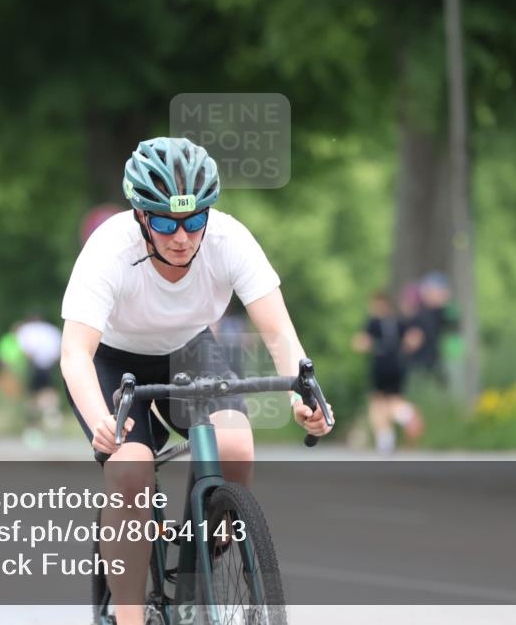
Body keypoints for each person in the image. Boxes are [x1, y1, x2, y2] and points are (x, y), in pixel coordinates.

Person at [60, 136, 333, 625]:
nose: (181, 237)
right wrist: (101, 420)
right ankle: (128, 616)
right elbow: (75, 353)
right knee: (130, 471)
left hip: (188, 348)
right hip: (111, 359)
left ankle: (203, 563)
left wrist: (302, 393)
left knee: (235, 446)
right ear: (142, 216)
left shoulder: (230, 240)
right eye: (165, 222)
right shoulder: (108, 250)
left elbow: (277, 330)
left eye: (193, 221)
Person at [351, 290, 424, 453]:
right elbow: (414, 339)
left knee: (377, 404)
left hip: (380, 366)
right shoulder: (399, 322)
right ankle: (404, 414)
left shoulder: (374, 322)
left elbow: (361, 342)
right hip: (398, 365)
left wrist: (363, 344)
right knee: (393, 400)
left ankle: (387, 437)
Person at [15, 313, 63, 442]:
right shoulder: (52, 330)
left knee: (32, 398)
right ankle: (51, 415)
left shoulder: (27, 330)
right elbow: (58, 351)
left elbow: (25, 350)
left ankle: (33, 428)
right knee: (49, 392)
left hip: (34, 366)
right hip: (50, 366)